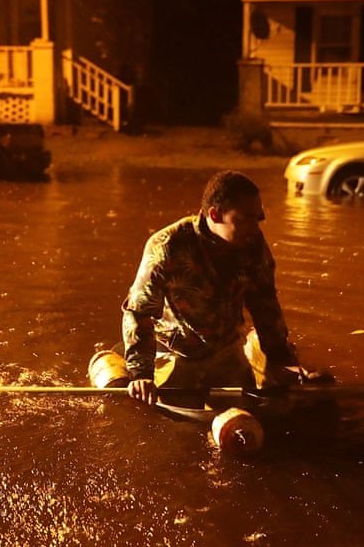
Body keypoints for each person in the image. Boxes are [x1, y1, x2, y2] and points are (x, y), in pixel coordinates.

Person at [121, 170, 325, 405]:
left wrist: (282, 361)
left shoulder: (252, 244)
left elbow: (265, 305)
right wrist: (141, 375)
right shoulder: (167, 246)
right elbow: (139, 312)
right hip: (177, 354)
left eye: (258, 217)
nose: (255, 227)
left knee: (267, 408)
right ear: (215, 215)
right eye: (244, 219)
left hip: (228, 351)